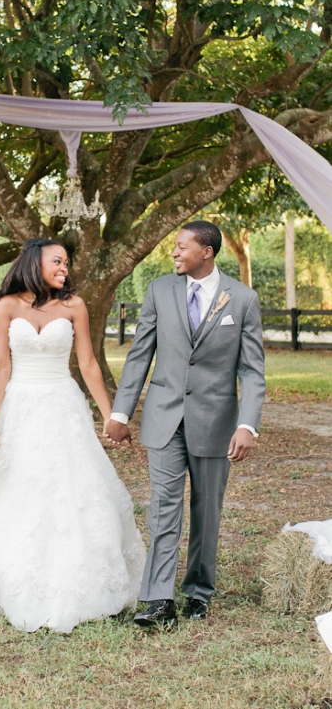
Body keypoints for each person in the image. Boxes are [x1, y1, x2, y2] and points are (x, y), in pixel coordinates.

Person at [0, 238, 145, 633]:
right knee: (13, 486)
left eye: (67, 263)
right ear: (33, 261)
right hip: (18, 407)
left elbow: (87, 363)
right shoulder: (7, 306)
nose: (65, 268)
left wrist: (111, 416)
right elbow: (1, 366)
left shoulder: (74, 306)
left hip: (62, 405)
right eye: (57, 261)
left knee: (68, 487)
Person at [106, 221, 266, 629]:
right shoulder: (160, 290)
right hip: (164, 417)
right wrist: (121, 413)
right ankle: (158, 598)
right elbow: (140, 353)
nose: (174, 253)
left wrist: (247, 425)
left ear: (207, 251)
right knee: (163, 507)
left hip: (216, 421)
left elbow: (252, 370)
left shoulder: (243, 299)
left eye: (182, 247)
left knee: (206, 509)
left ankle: (198, 591)